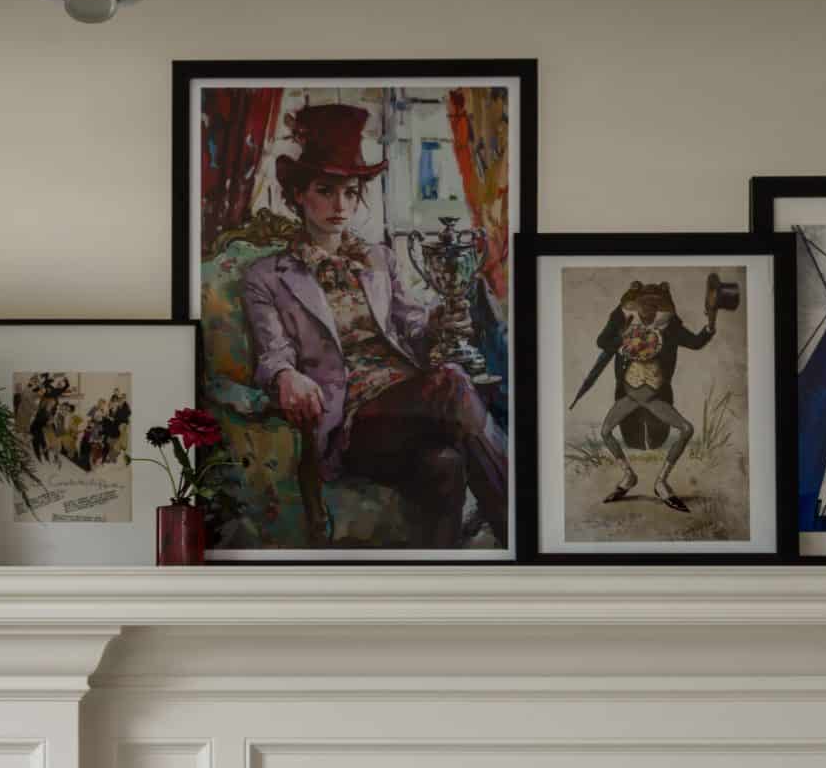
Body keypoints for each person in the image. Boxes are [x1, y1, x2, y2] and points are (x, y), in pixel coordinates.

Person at [240, 103, 508, 549]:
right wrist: (286, 376)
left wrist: (439, 322)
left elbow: (412, 328)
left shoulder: (378, 258)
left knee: (443, 465)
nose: (340, 205)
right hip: (351, 419)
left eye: (350, 192)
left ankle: (435, 595)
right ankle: (524, 531)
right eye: (325, 191)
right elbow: (273, 353)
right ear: (299, 195)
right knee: (454, 386)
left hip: (409, 404)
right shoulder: (267, 276)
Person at [573, 276, 725, 512]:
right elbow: (602, 341)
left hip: (654, 395)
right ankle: (628, 477)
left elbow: (696, 342)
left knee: (686, 429)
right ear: (636, 304)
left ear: (660, 307)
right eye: (644, 304)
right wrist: (620, 330)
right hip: (629, 394)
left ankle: (661, 481)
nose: (648, 309)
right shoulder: (624, 323)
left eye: (654, 305)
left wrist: (711, 324)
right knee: (605, 432)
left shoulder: (669, 326)